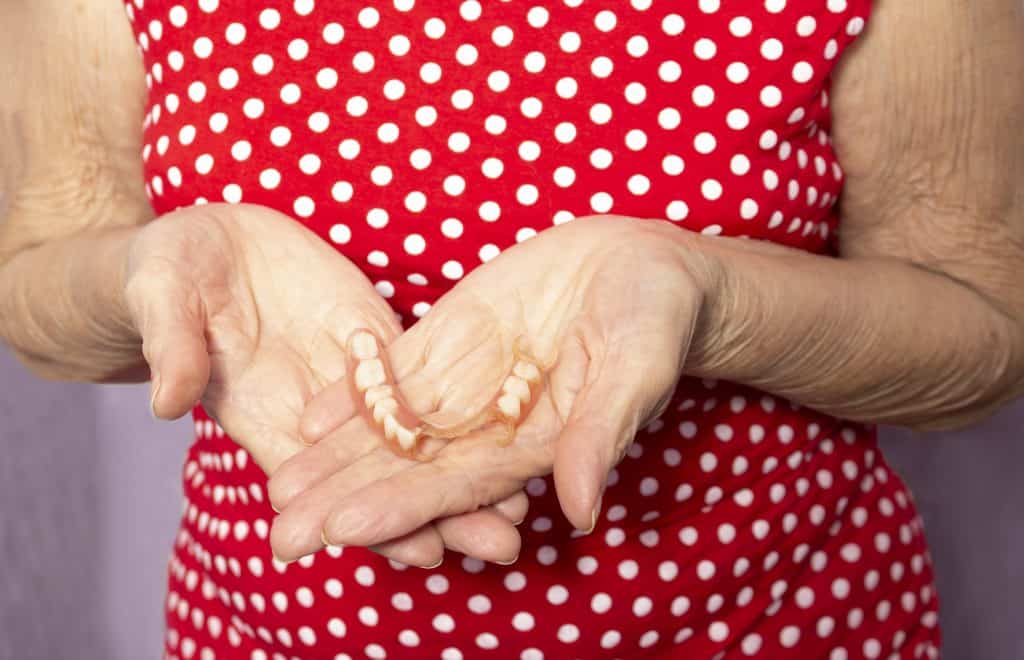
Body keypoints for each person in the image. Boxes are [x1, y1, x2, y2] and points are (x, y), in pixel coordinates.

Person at [1, 0, 1021, 657]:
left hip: (776, 630)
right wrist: (154, 271)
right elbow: (41, 270)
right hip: (268, 636)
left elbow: (980, 327)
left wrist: (709, 296)